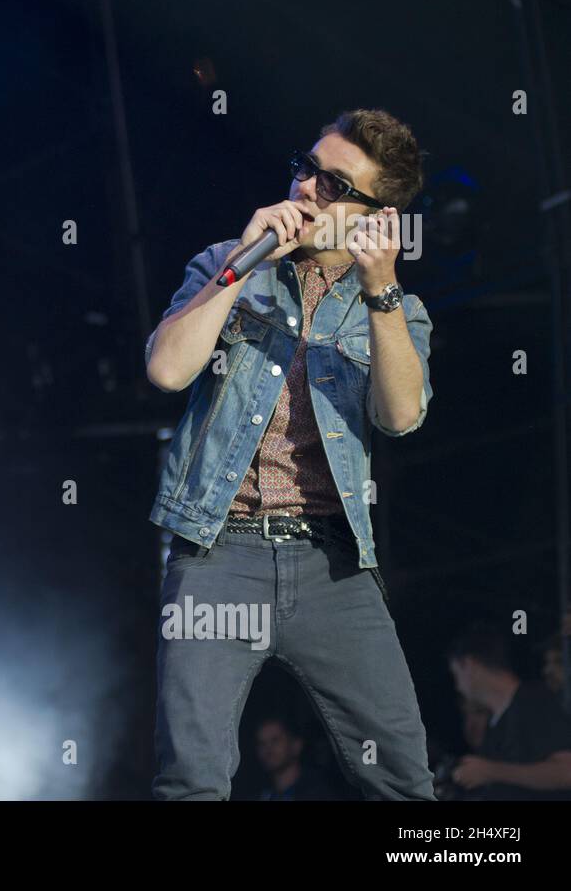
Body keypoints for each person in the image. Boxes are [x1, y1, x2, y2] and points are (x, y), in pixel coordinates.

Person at [147, 109, 435, 800]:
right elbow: (167, 369)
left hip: (332, 561)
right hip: (219, 551)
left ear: (376, 215)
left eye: (333, 184)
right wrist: (237, 268)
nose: (306, 189)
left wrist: (381, 289)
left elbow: (401, 415)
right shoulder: (229, 264)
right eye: (305, 168)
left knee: (402, 778)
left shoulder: (397, 309)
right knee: (190, 777)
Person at [448, 624, 571, 799]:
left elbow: (567, 772)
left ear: (468, 664)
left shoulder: (534, 702)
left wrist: (491, 771)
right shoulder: (495, 724)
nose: (458, 686)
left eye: (456, 674)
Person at [253, 715, 337, 800]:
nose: (268, 749)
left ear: (296, 745)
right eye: (262, 743)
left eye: (275, 740)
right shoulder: (259, 795)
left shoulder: (319, 793)